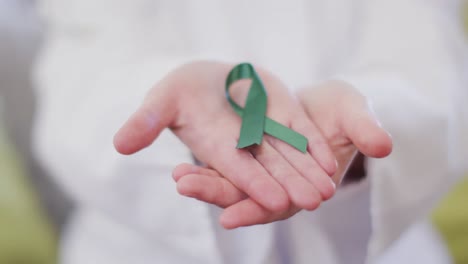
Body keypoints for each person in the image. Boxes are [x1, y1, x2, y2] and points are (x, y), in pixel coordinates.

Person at [33, 0, 468, 263]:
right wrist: (170, 105)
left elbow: (430, 61)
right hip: (145, 248)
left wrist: (368, 120)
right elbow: (82, 66)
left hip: (377, 247)